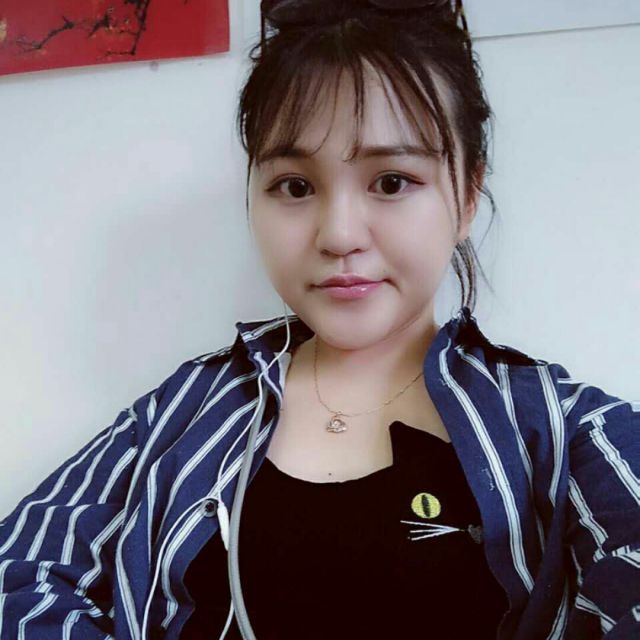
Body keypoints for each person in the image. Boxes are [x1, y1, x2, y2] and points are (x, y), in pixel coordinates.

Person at [1, 0, 638, 638]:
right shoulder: (185, 411)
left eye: (391, 181)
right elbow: (19, 574)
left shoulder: (565, 429)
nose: (338, 235)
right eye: (296, 187)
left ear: (467, 195)